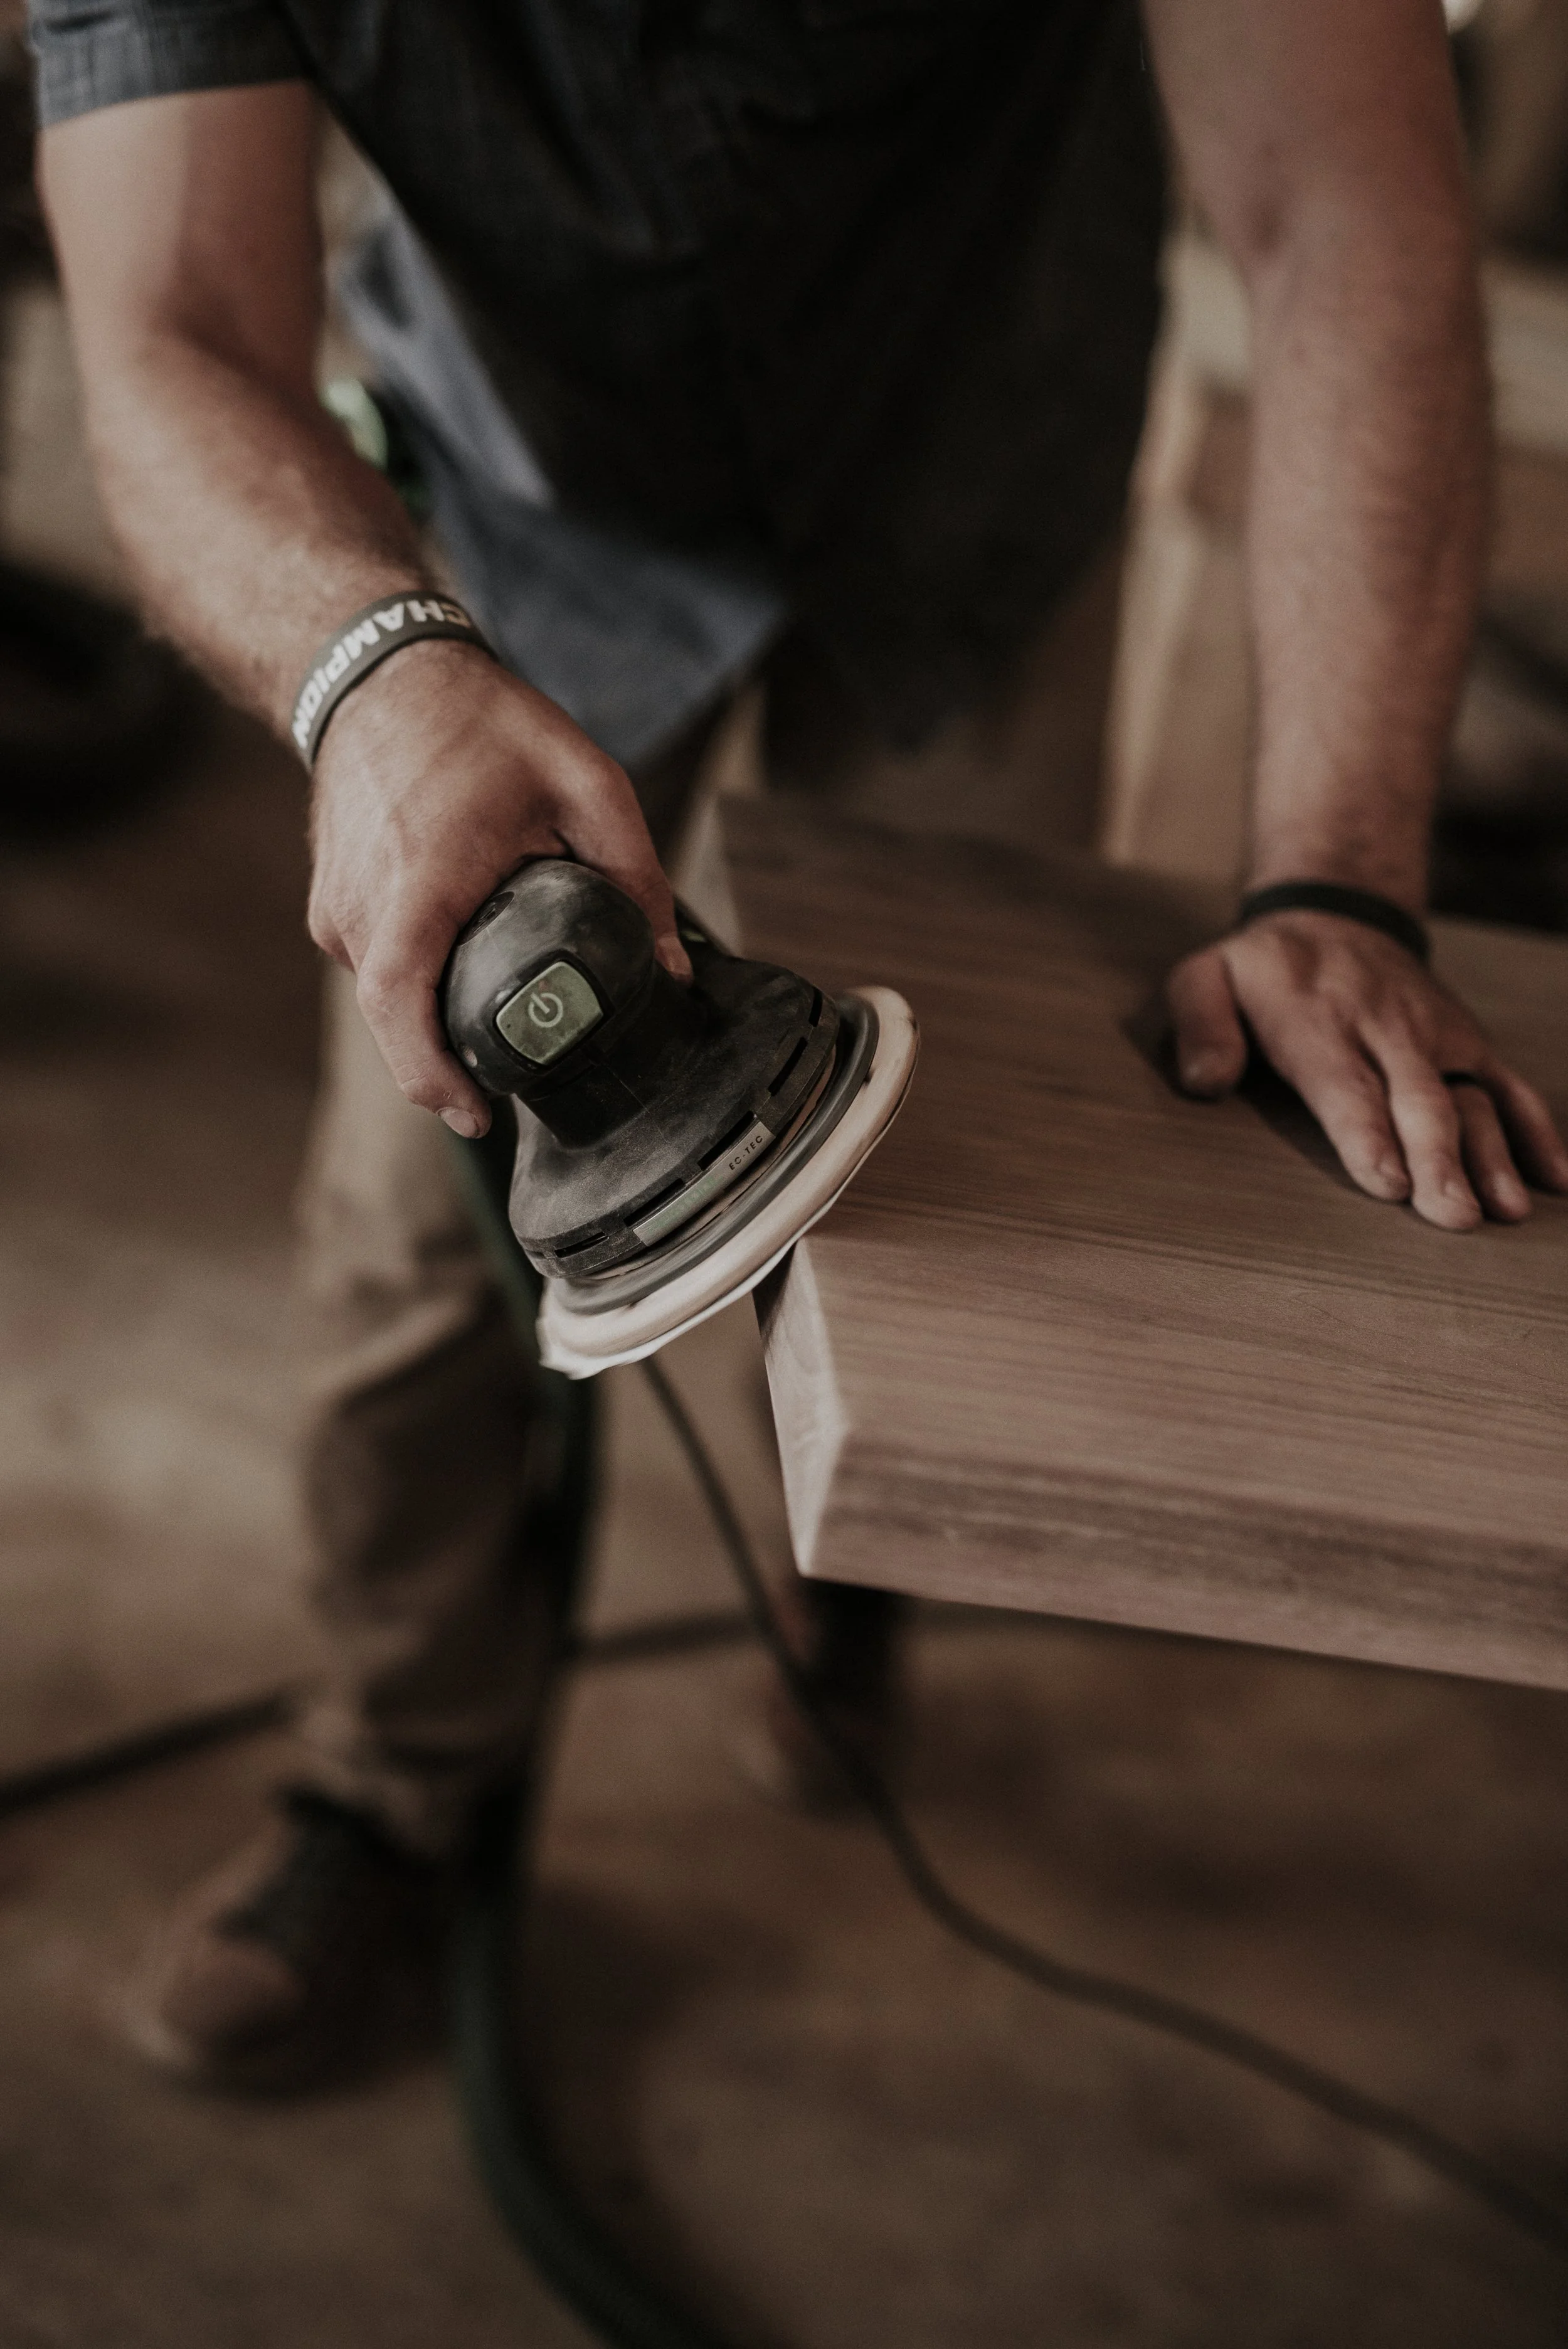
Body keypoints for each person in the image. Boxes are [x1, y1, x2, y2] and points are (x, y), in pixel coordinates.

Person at [29, 0, 1568, 2091]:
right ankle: (394, 1781)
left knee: (949, 1201)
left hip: (972, 478)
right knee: (415, 1247)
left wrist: (1330, 881)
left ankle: (843, 1601)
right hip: (500, 523)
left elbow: (1339, 213)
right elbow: (176, 327)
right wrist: (367, 680)